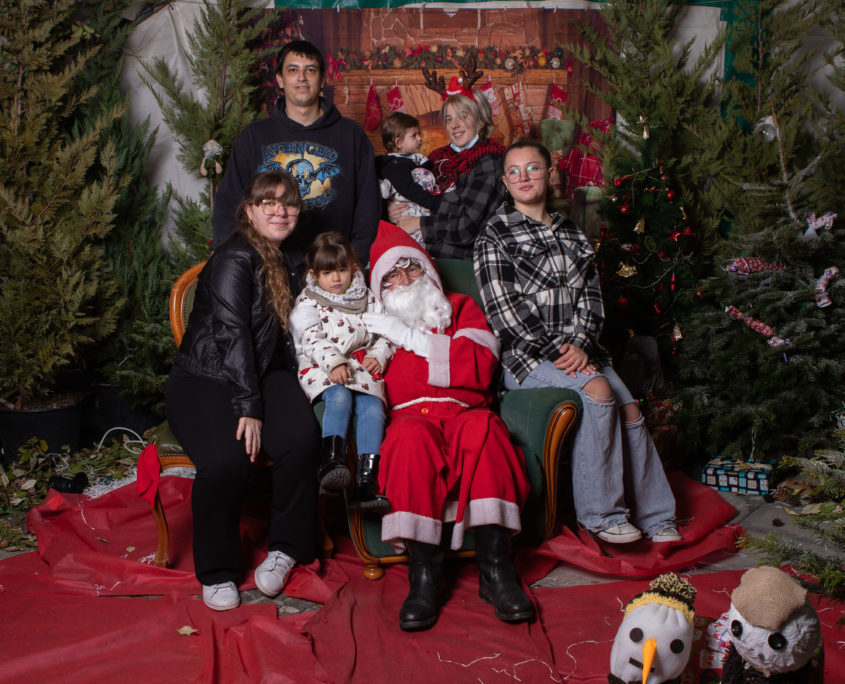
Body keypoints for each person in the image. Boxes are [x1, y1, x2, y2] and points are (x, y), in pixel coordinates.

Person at [473, 140, 680, 546]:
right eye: (514, 171)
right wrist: (557, 351)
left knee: (631, 410)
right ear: (505, 181)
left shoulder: (570, 230)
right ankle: (602, 516)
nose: (524, 177)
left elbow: (592, 297)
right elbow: (505, 310)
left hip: (583, 350)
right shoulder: (495, 234)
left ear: (549, 174)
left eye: (533, 168)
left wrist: (582, 344)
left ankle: (657, 516)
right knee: (599, 391)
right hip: (528, 358)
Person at [361, 221, 534, 631]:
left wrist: (412, 338)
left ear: (428, 272)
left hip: (465, 413)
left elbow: (481, 364)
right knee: (406, 441)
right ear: (379, 290)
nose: (406, 280)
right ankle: (425, 577)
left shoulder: (459, 307)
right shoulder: (373, 325)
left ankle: (497, 571)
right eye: (392, 276)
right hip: (409, 418)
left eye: (412, 269)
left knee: (485, 431)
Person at [166, 170, 320, 612]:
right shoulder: (235, 256)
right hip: (206, 378)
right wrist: (248, 407)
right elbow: (232, 336)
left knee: (301, 439)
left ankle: (286, 547)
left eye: (289, 203)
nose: (280, 211)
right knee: (225, 460)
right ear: (249, 211)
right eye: (268, 203)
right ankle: (217, 571)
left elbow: (293, 330)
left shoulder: (290, 258)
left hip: (263, 370)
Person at [212, 40, 379, 264]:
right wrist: (233, 259)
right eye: (293, 70)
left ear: (322, 79)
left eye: (310, 70)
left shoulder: (350, 134)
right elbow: (229, 203)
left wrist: (355, 260)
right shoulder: (253, 136)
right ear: (280, 79)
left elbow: (368, 206)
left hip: (333, 267)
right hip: (268, 265)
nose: (302, 78)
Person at [290, 231, 392, 511]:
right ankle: (331, 463)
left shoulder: (366, 297)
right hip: (323, 366)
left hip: (361, 367)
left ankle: (366, 484)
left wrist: (378, 354)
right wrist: (334, 362)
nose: (336, 279)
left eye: (342, 270)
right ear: (314, 274)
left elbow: (386, 332)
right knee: (339, 398)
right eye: (327, 273)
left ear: (353, 267)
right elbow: (310, 338)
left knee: (374, 408)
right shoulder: (309, 301)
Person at [387, 89, 505, 259]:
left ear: (480, 119)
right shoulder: (439, 158)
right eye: (449, 119)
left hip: (461, 256)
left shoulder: (488, 161)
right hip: (427, 248)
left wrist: (419, 223)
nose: (454, 125)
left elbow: (466, 228)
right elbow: (417, 192)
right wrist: (395, 209)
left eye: (463, 116)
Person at [376, 112, 441, 244]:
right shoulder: (394, 165)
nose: (420, 138)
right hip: (405, 211)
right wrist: (436, 203)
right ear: (399, 143)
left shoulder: (412, 159)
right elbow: (409, 189)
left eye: (419, 134)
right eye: (414, 135)